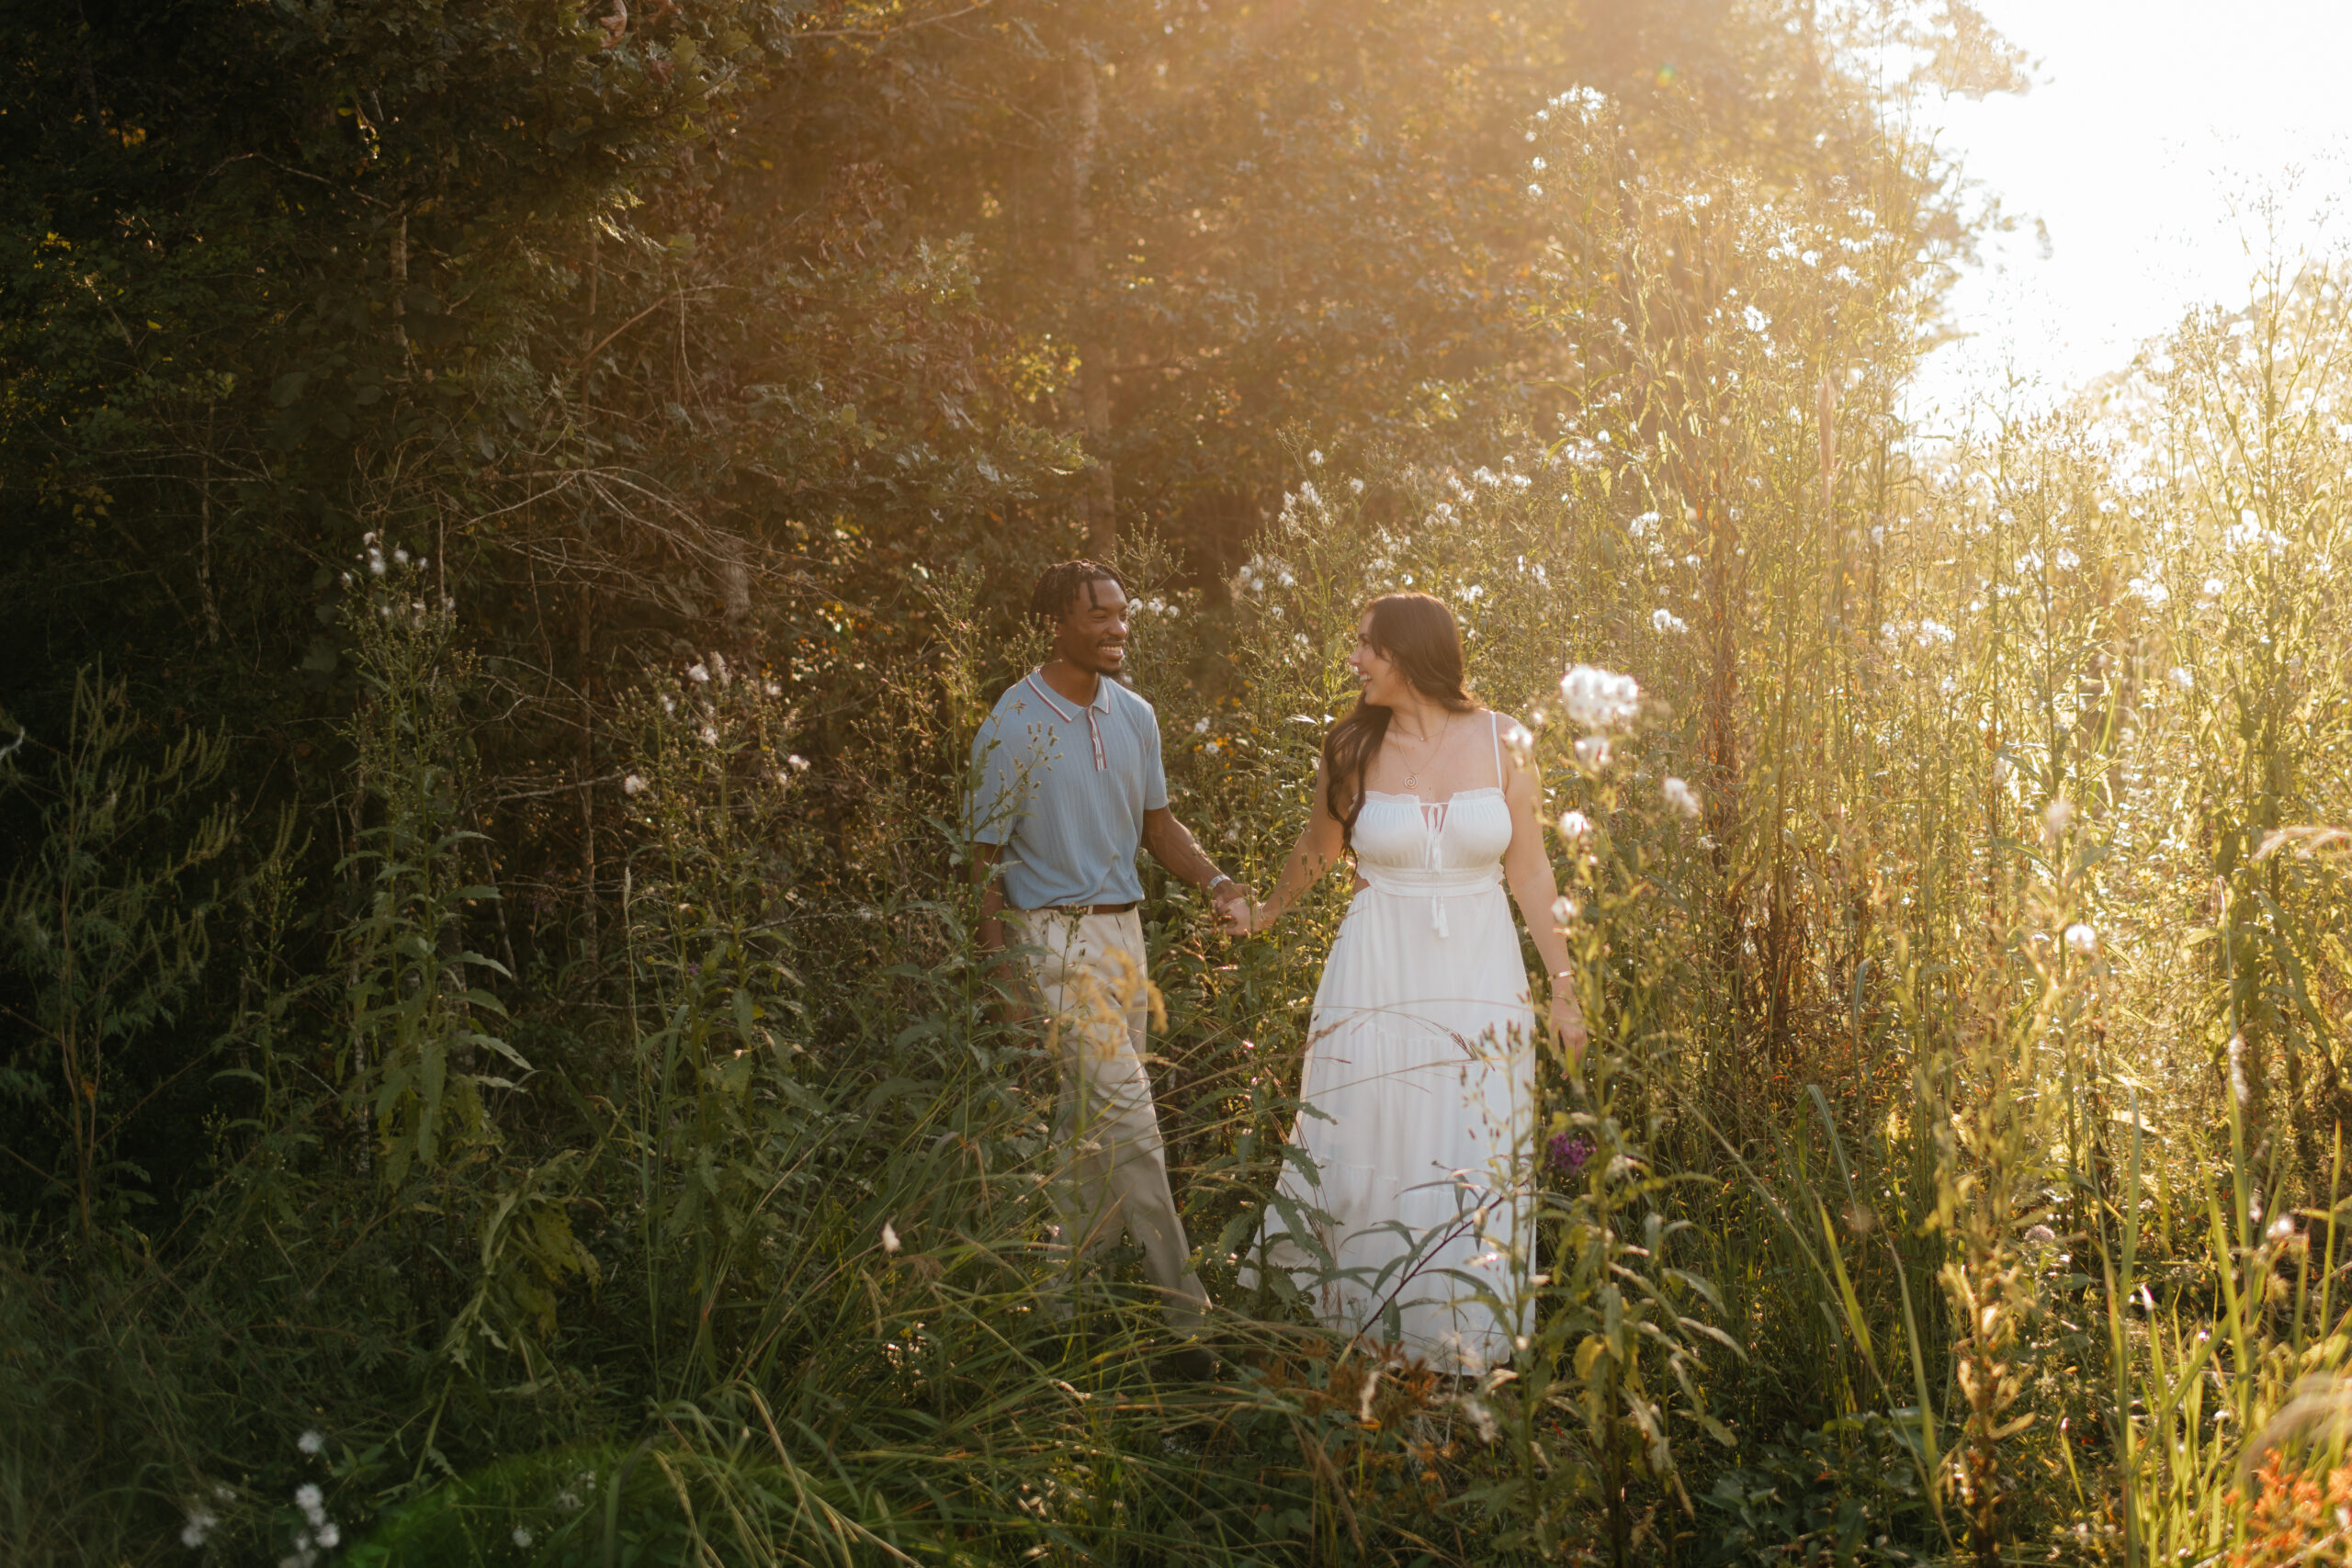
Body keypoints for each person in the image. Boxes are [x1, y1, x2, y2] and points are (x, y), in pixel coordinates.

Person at [1227, 592, 1584, 1374]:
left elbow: (1529, 868)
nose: (1355, 661)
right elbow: (1317, 848)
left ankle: (1460, 1350)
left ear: (1410, 655)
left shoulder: (1503, 742)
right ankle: (1350, 1342)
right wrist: (1266, 910)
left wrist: (1563, 985)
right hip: (1376, 975)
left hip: (1479, 978)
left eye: (1368, 647)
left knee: (1472, 1146)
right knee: (1364, 1144)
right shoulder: (1352, 746)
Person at [967, 559, 1252, 1374]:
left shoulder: (1136, 715)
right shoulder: (1011, 723)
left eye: (1123, 613)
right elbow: (981, 864)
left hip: (1128, 937)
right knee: (1133, 1122)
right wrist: (1003, 983)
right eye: (1099, 615)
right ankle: (1190, 1325)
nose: (1118, 627)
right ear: (1057, 619)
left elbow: (1157, 823)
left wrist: (1216, 879)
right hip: (1049, 940)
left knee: (1087, 1134)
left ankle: (1058, 1306)